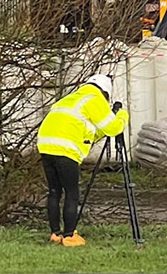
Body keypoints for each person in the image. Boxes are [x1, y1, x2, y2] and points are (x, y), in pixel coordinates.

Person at [35, 72, 127, 247]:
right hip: (66, 150)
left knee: (54, 191)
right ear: (105, 92)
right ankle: (69, 236)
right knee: (72, 193)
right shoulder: (95, 98)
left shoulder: (71, 99)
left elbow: (90, 132)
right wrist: (122, 116)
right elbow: (113, 128)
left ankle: (55, 233)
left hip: (46, 146)